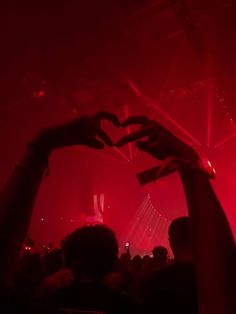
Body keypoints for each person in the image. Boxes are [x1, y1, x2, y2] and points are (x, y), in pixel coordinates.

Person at [116, 115, 236, 314]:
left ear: (171, 240)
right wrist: (192, 168)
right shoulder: (214, 279)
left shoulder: (151, 285)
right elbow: (221, 297)